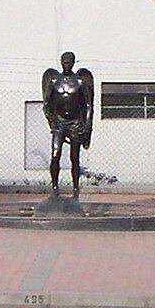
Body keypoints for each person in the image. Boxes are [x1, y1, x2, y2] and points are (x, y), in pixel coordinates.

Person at [41, 51, 94, 198]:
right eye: (64, 62)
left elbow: (88, 105)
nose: (66, 64)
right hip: (59, 123)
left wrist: (87, 125)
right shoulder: (54, 81)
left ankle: (75, 188)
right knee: (55, 154)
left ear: (73, 63)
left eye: (69, 62)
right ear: (61, 62)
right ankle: (55, 188)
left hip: (75, 123)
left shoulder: (80, 82)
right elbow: (46, 104)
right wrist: (51, 121)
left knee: (74, 157)